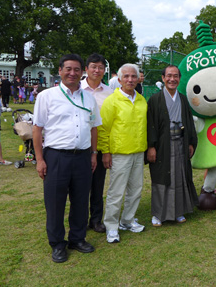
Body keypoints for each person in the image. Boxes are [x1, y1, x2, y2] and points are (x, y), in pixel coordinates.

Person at [32, 54, 101, 263]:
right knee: (55, 202)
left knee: (81, 200)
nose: (73, 73)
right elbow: (37, 129)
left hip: (82, 157)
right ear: (60, 70)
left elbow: (94, 128)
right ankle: (57, 244)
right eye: (68, 69)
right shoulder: (47, 96)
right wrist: (40, 160)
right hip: (56, 157)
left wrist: (93, 153)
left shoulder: (88, 98)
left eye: (77, 69)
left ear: (82, 72)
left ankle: (77, 239)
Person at [100, 63, 147, 243]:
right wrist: (106, 152)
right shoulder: (112, 101)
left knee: (136, 190)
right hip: (119, 153)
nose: (130, 79)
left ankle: (127, 220)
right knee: (116, 192)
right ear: (119, 79)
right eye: (126, 76)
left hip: (138, 151)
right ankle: (111, 226)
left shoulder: (141, 100)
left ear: (138, 78)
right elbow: (104, 129)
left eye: (133, 76)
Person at [147, 65, 198, 226]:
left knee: (180, 176)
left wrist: (190, 141)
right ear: (163, 78)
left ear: (179, 78)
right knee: (162, 177)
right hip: (162, 145)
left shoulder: (182, 98)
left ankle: (178, 211)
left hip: (180, 142)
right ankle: (158, 214)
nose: (172, 79)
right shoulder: (155, 99)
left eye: (175, 76)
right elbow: (150, 124)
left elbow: (189, 122)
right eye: (169, 76)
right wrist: (151, 146)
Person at [81, 53, 113, 233]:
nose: (97, 70)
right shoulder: (77, 89)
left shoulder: (109, 92)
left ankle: (96, 219)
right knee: (80, 186)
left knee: (98, 185)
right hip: (80, 145)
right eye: (93, 66)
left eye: (101, 67)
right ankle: (80, 220)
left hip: (100, 146)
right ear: (86, 69)